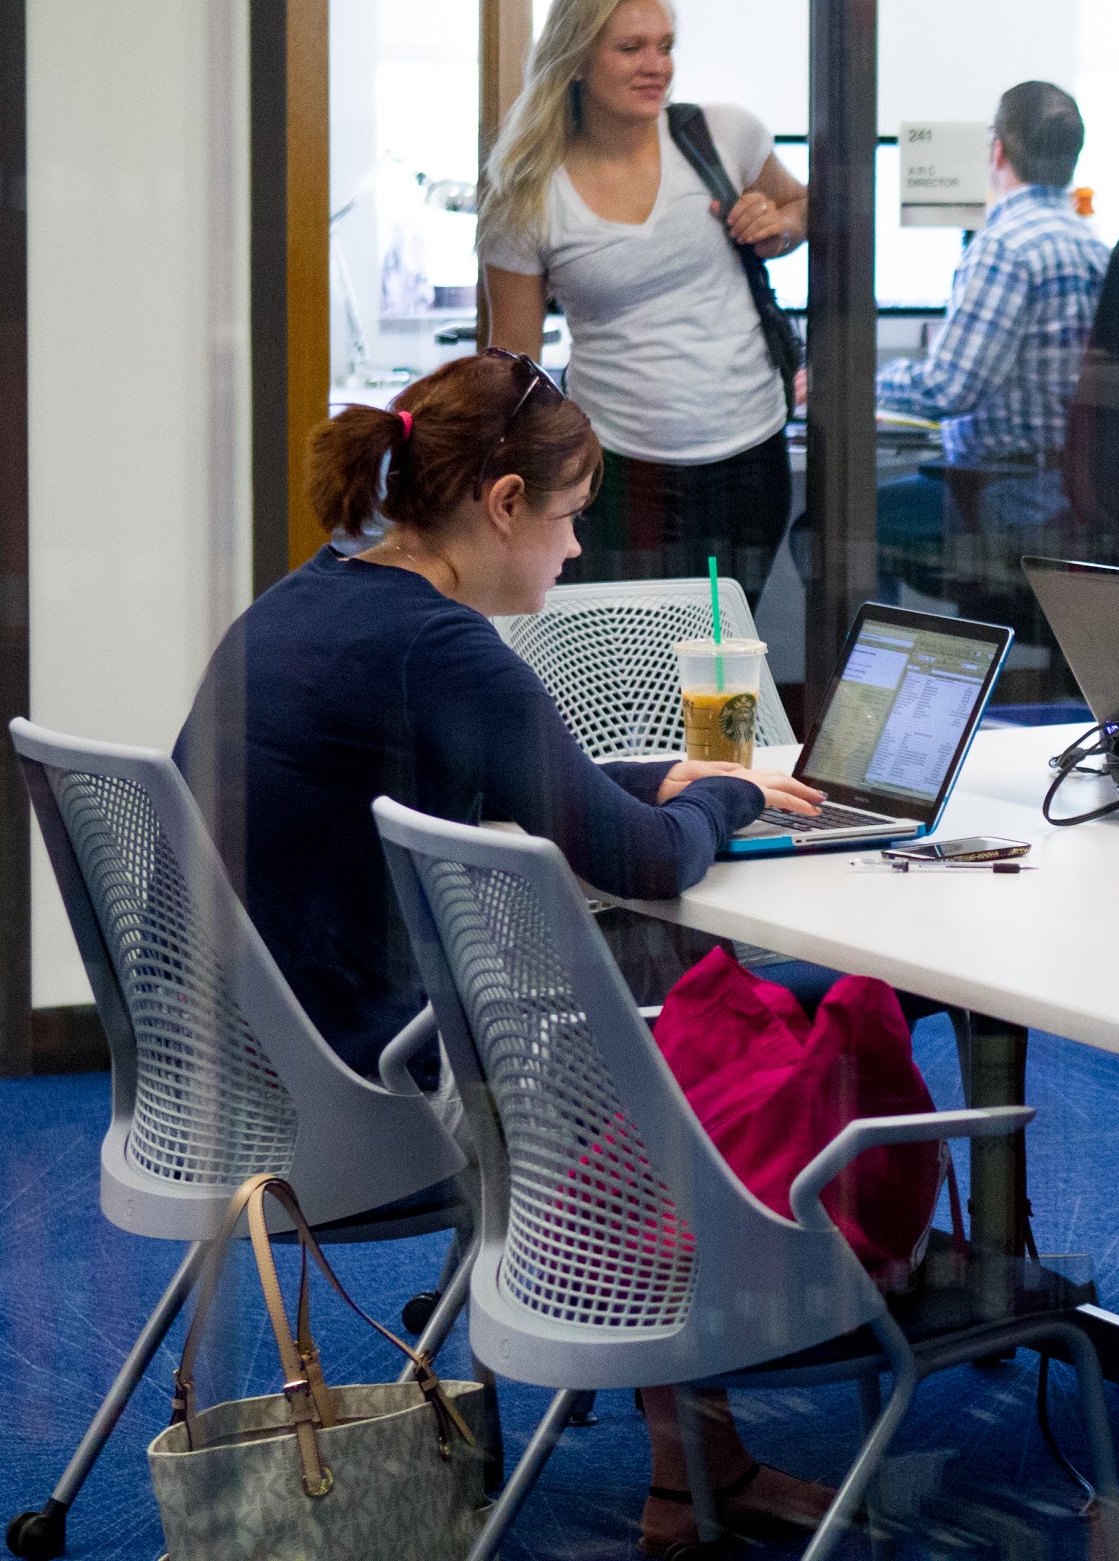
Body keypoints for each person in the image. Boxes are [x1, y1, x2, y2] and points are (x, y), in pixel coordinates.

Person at [170, 351, 837, 1552]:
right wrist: (728, 800)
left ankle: (698, 1458)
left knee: (652, 982)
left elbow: (544, 793)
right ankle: (713, 1434)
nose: (576, 551)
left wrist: (673, 776)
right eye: (571, 516)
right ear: (503, 504)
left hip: (226, 1063)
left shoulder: (316, 598)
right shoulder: (441, 644)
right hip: (355, 1084)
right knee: (701, 1004)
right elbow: (642, 859)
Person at [477, 0, 809, 600]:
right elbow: (513, 365)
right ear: (575, 60)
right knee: (626, 666)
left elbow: (804, 209)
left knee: (724, 662)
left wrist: (778, 226)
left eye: (665, 46)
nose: (655, 65)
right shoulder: (526, 196)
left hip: (748, 458)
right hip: (616, 473)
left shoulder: (721, 135)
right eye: (630, 48)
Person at [874, 81, 1111, 599]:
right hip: (1068, 495)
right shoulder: (1093, 245)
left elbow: (948, 390)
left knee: (832, 522)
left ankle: (881, 678)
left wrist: (856, 383)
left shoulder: (1003, 246)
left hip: (1004, 496)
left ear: (996, 150)